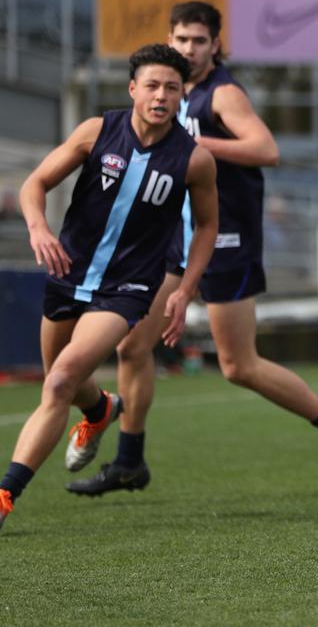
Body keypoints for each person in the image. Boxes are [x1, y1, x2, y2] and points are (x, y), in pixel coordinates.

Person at [66, 2, 318, 498]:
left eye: (199, 41)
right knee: (130, 343)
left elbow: (266, 149)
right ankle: (129, 461)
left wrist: (198, 143)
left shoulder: (221, 93)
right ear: (170, 38)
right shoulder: (170, 91)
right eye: (181, 39)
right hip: (174, 241)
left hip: (226, 238)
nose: (189, 48)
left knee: (238, 366)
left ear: (215, 45)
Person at [0, 44, 218, 531]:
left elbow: (206, 228)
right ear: (133, 89)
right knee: (66, 381)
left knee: (58, 382)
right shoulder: (98, 131)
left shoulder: (194, 160)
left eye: (172, 88)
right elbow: (34, 184)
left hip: (128, 289)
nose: (161, 96)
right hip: (68, 274)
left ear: (182, 96)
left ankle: (5, 495)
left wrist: (185, 290)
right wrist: (38, 228)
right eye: (153, 86)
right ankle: (100, 411)